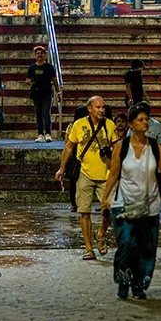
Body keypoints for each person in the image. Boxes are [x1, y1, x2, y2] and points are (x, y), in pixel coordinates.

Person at [101, 103, 161, 300]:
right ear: (132, 124)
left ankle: (139, 284)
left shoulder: (155, 147)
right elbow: (113, 174)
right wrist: (105, 197)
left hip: (150, 205)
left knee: (147, 247)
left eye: (146, 119)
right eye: (140, 120)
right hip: (124, 203)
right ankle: (123, 281)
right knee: (127, 243)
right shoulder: (121, 147)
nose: (145, 123)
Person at [55, 96, 117, 260]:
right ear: (89, 109)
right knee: (84, 212)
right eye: (97, 107)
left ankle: (101, 234)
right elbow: (69, 147)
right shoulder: (79, 124)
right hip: (84, 173)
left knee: (108, 210)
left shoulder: (110, 125)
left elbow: (117, 146)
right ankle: (89, 249)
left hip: (106, 174)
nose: (101, 110)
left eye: (103, 107)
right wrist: (62, 168)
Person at [27, 46, 60, 142]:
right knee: (38, 114)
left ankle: (48, 134)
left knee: (46, 113)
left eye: (41, 53)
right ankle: (40, 134)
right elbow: (27, 79)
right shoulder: (31, 68)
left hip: (46, 93)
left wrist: (58, 92)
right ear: (35, 55)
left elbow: (54, 80)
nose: (39, 55)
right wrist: (29, 81)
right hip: (36, 93)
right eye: (37, 53)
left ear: (44, 55)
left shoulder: (49, 67)